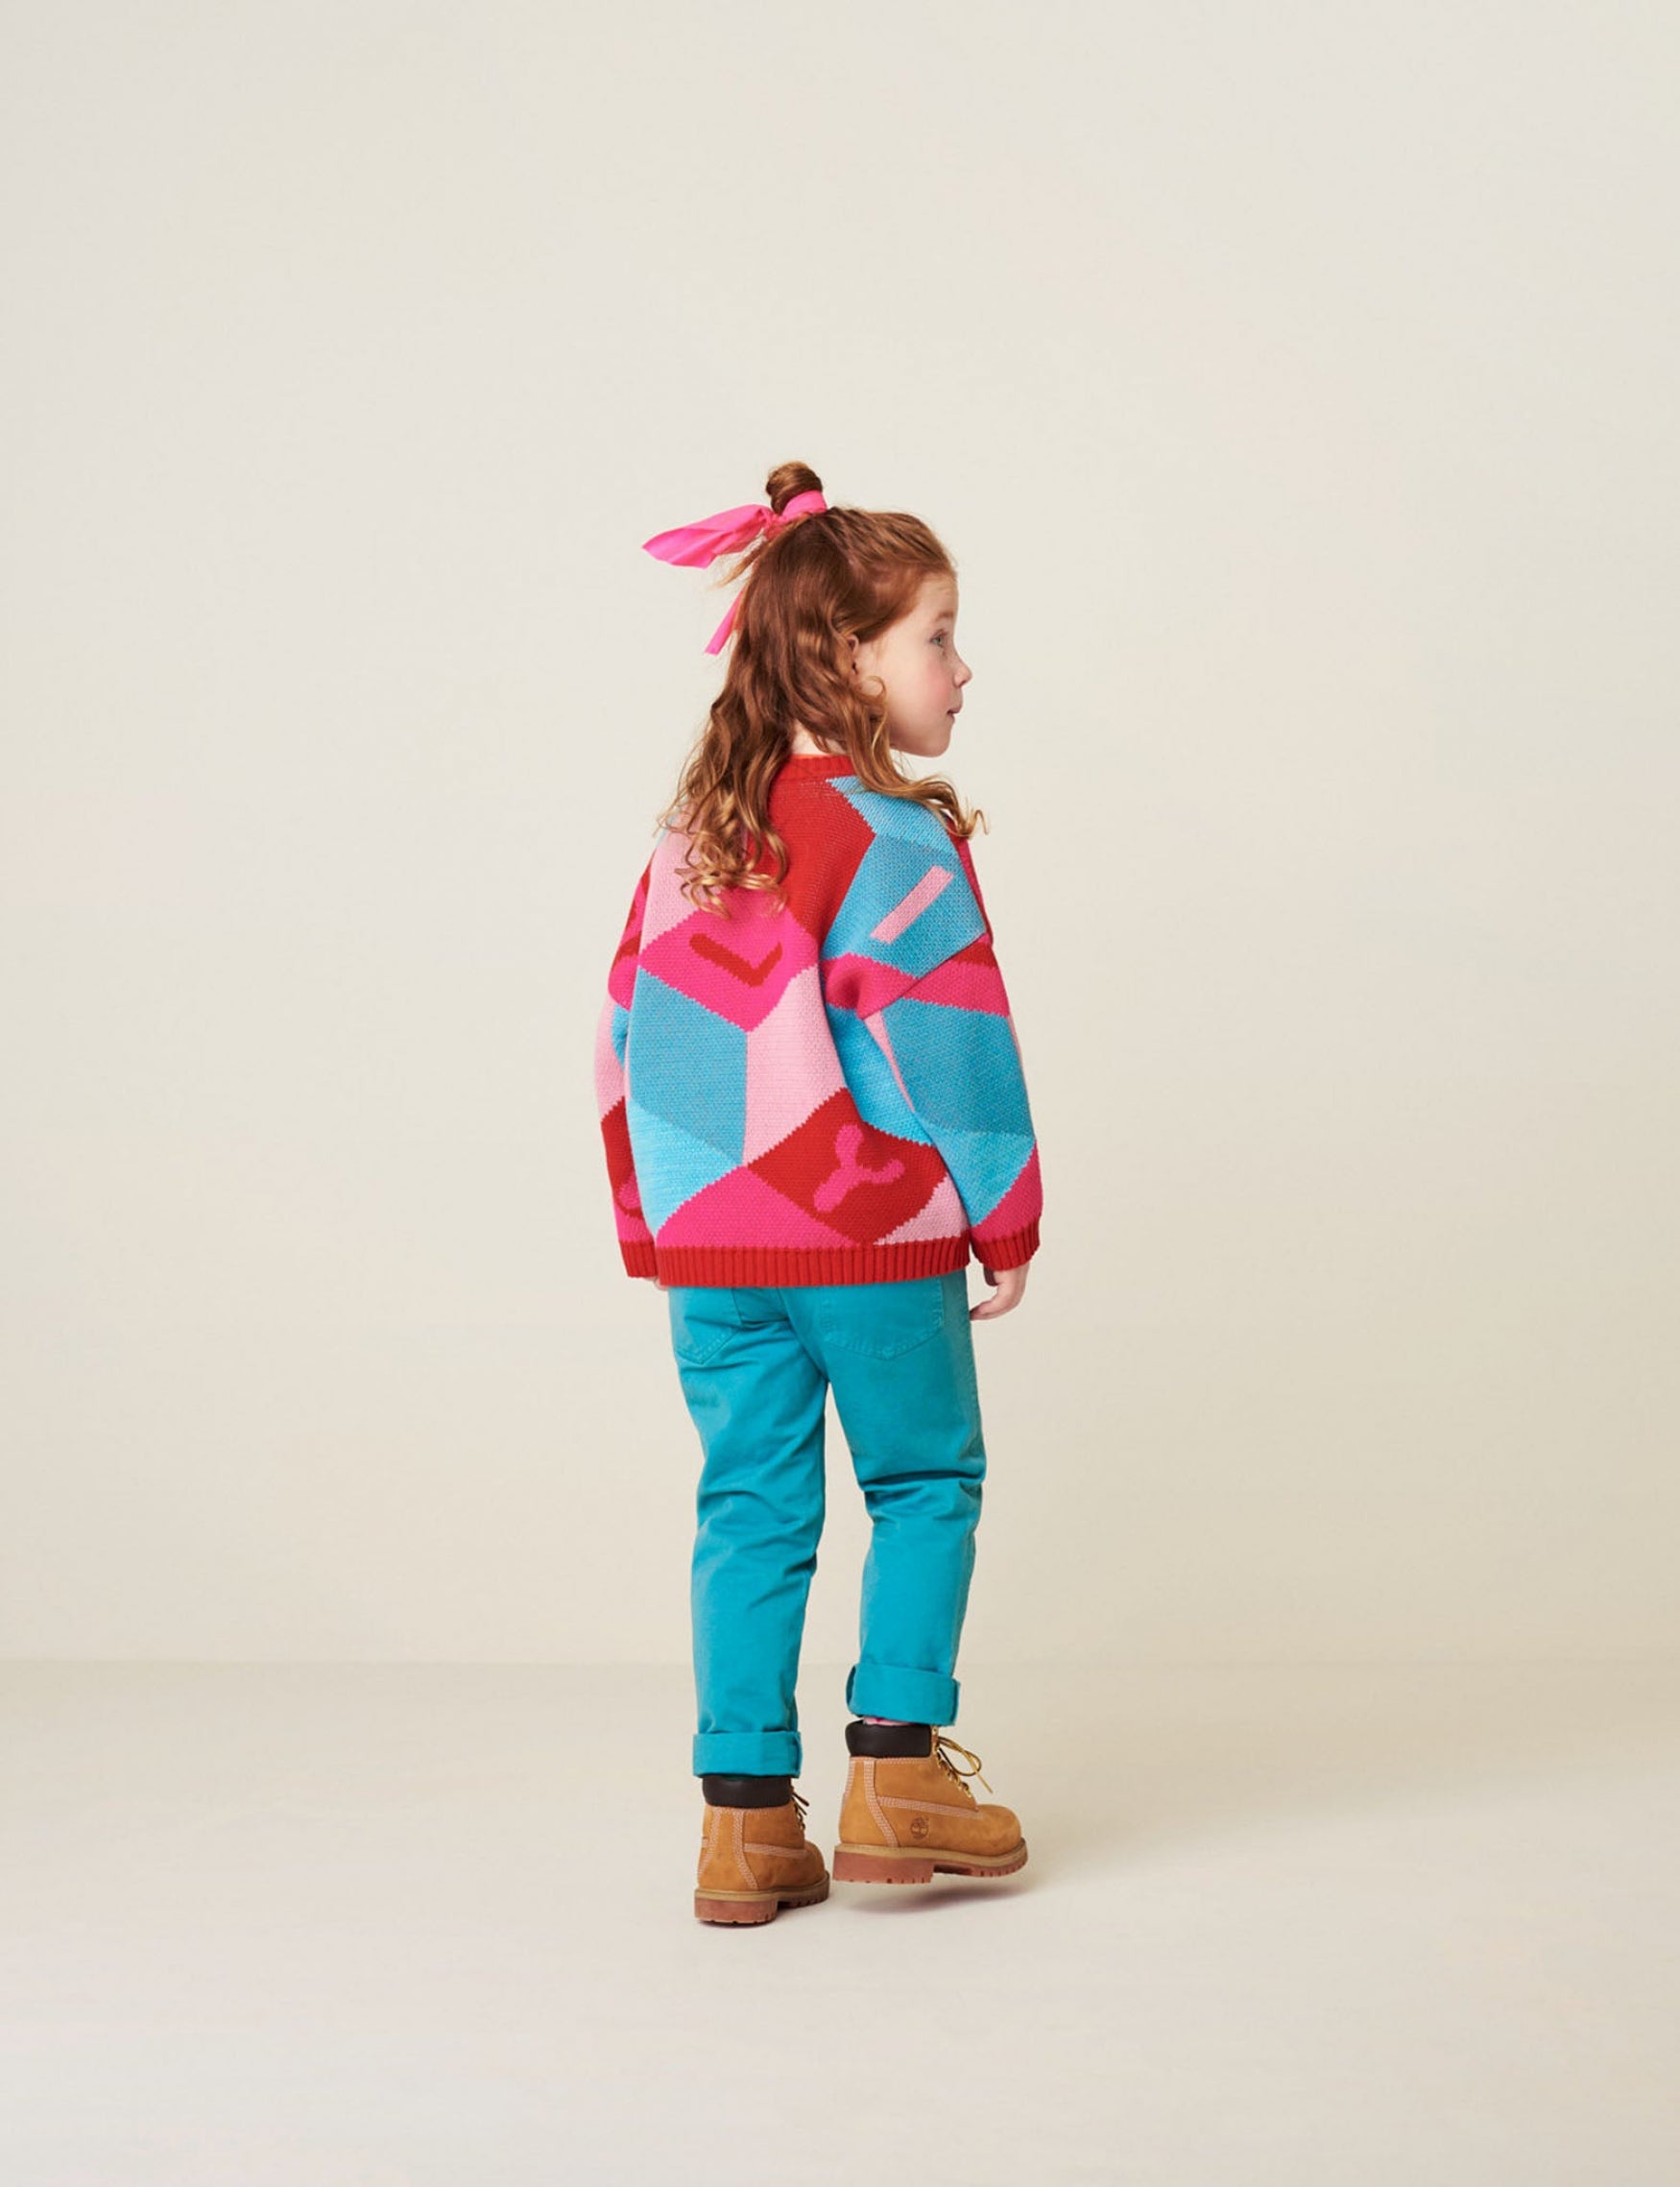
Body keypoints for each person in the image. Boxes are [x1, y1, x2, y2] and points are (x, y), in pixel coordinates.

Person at [593, 461, 1044, 1925]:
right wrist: (1005, 1215)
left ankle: (743, 1825)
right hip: (866, 1240)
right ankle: (896, 1775)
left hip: (714, 1251)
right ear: (848, 658)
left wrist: (655, 1222)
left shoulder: (688, 846)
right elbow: (956, 1049)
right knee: (922, 1480)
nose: (960, 668)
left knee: (747, 1505)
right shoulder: (892, 837)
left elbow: (626, 1038)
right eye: (936, 636)